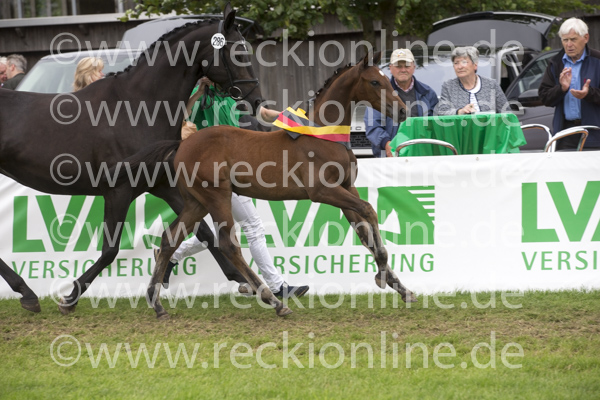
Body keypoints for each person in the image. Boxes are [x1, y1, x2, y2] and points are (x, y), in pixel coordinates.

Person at [160, 77, 309, 299]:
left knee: (219, 231)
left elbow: (263, 113)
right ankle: (276, 286)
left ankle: (171, 255)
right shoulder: (201, 95)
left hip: (232, 167)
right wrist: (199, 92)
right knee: (253, 226)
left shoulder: (231, 94)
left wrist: (295, 120)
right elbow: (180, 117)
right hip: (214, 170)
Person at [539, 17, 600, 150]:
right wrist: (561, 89)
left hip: (595, 133)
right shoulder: (555, 62)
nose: (569, 44)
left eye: (573, 39)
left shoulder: (598, 60)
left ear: (586, 38)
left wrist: (588, 94)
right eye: (565, 40)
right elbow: (544, 97)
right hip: (565, 133)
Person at [364, 48, 438, 157]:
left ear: (414, 67)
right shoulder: (379, 94)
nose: (403, 70)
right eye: (398, 66)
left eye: (407, 66)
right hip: (391, 156)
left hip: (422, 154)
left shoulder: (428, 93)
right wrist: (386, 144)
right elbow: (373, 125)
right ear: (391, 68)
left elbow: (435, 125)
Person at [434, 46, 509, 116]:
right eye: (456, 63)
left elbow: (507, 112)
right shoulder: (448, 86)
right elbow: (442, 112)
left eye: (464, 62)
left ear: (475, 65)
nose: (459, 67)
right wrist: (459, 112)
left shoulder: (491, 84)